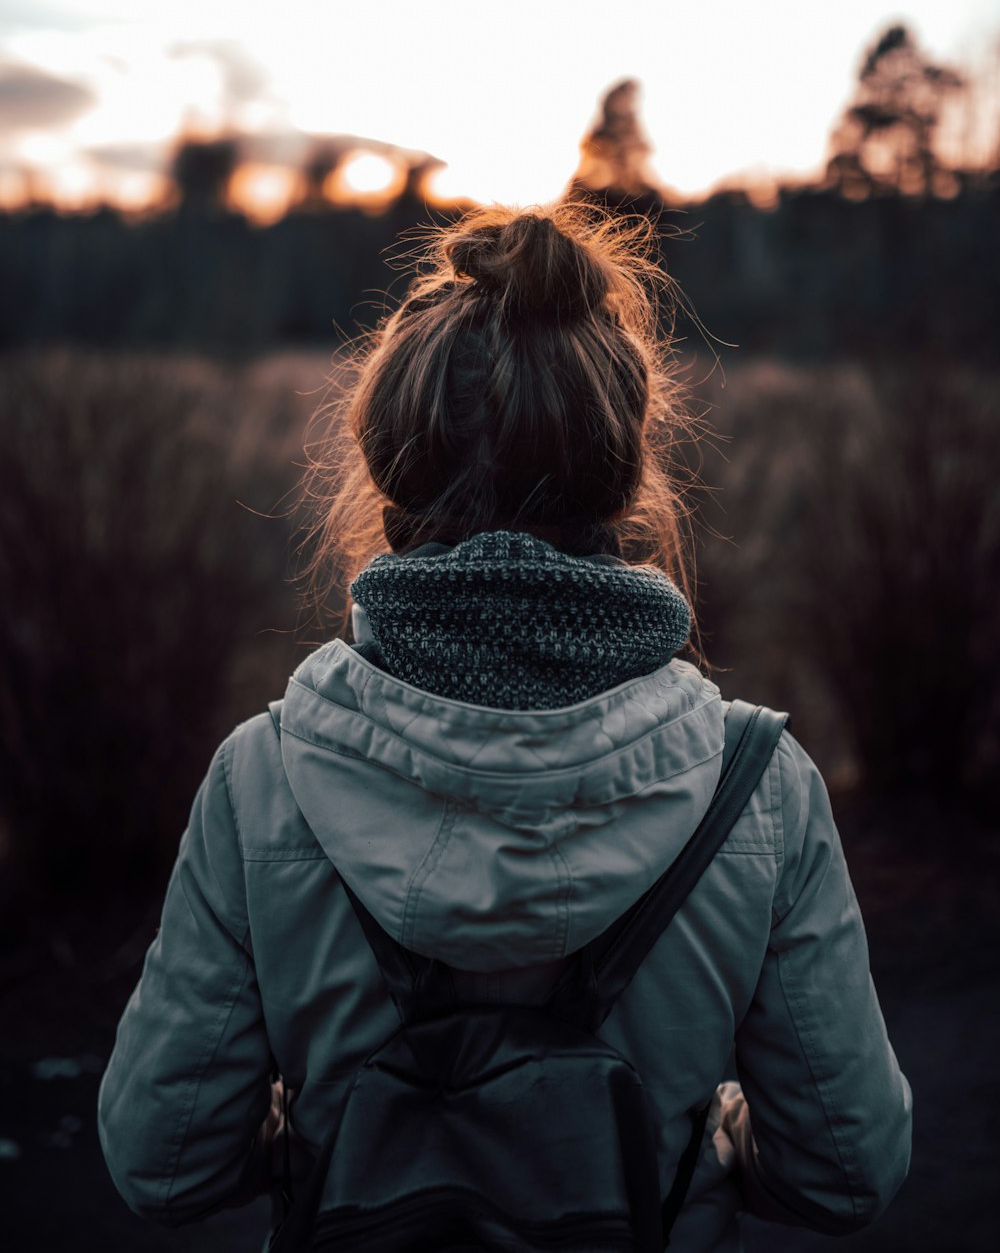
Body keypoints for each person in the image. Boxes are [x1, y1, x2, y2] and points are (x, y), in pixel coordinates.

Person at [98, 201, 912, 1250]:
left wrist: (334, 1148)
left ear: (389, 469)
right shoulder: (758, 785)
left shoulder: (262, 777)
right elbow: (847, 1170)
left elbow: (161, 1162)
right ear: (620, 476)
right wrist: (692, 1157)